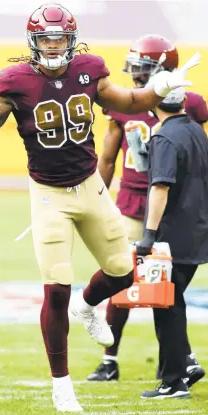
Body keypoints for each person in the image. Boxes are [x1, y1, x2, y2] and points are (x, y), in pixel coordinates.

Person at [0, 4, 200, 412]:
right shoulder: (15, 80)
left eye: (60, 39)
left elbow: (129, 101)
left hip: (89, 185)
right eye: (46, 39)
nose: (53, 46)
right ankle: (62, 386)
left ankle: (87, 304)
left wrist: (160, 90)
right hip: (48, 194)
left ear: (71, 42)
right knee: (55, 288)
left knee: (124, 272)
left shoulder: (89, 69)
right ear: (33, 43)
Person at [88, 34, 207, 386]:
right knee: (122, 278)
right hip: (132, 200)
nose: (136, 76)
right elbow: (108, 158)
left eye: (143, 68)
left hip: (168, 202)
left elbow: (194, 154)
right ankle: (111, 359)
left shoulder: (191, 104)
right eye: (135, 68)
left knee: (165, 290)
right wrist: (95, 199)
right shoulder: (122, 103)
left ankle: (175, 362)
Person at [135, 86, 208, 398]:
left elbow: (161, 187)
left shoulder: (165, 137)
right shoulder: (195, 130)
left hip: (174, 235)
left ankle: (174, 381)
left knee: (167, 306)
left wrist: (148, 235)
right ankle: (182, 369)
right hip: (197, 229)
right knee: (172, 303)